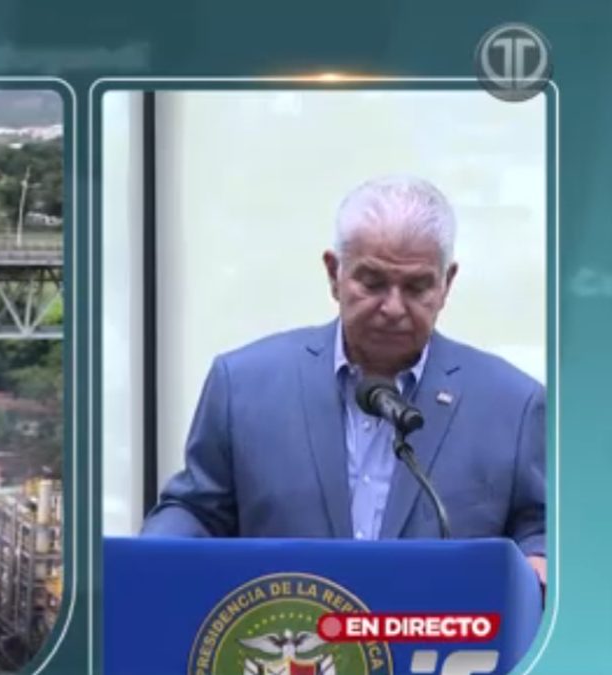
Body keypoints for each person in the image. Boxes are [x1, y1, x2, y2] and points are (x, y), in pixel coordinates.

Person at [141, 175, 547, 586]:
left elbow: (542, 529)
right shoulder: (242, 385)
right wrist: (149, 559)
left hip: (438, 645)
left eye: (416, 286)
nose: (392, 307)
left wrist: (539, 566)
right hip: (291, 639)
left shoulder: (513, 405)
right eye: (372, 283)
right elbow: (198, 510)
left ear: (446, 284)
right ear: (334, 274)